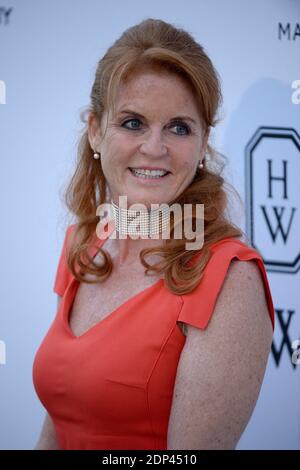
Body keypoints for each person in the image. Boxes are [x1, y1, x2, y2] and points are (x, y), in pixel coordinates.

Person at [32, 18, 275, 450]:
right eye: (132, 123)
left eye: (179, 127)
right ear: (95, 131)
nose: (155, 147)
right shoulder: (82, 245)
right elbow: (56, 427)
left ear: (203, 145)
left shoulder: (229, 278)